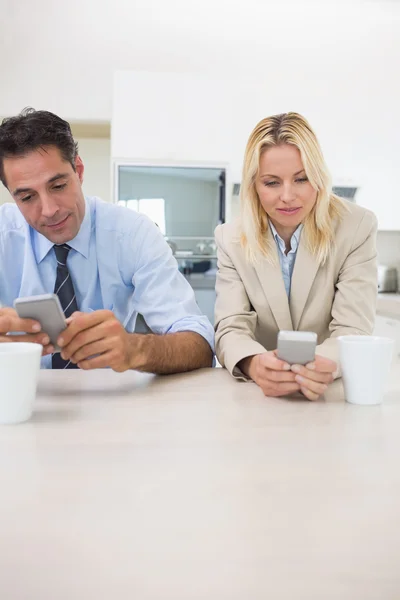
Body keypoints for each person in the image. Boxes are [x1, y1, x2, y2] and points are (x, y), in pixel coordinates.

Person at [0, 108, 214, 372]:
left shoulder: (132, 234)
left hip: (111, 399)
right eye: (27, 197)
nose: (49, 210)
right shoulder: (4, 235)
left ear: (78, 171)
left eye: (58, 186)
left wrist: (136, 349)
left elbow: (201, 344)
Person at [214, 112, 377, 401]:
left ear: (319, 178)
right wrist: (253, 364)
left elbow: (352, 327)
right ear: (254, 185)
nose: (288, 196)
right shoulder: (231, 238)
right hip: (260, 397)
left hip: (328, 393)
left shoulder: (357, 226)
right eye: (272, 183)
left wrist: (319, 366)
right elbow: (231, 326)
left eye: (301, 179)